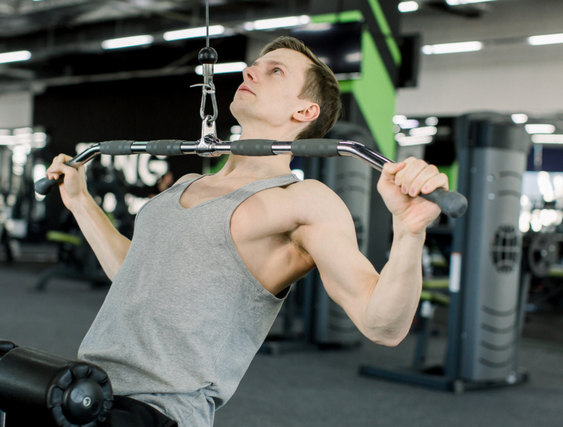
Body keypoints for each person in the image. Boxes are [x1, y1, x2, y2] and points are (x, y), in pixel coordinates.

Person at [45, 36, 449, 427]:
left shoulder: (304, 200)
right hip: (86, 388)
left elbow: (384, 325)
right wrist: (80, 201)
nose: (250, 72)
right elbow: (131, 272)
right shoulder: (186, 182)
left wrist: (410, 232)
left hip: (158, 411)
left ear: (306, 112)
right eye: (253, 66)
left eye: (274, 71)